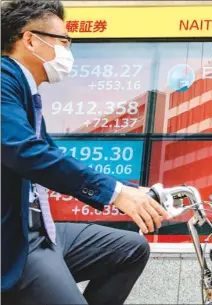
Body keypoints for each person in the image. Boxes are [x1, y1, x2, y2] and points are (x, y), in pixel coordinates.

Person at [1, 1, 171, 304]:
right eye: (64, 41)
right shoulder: (3, 82)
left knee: (130, 249)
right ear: (30, 40)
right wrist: (116, 194)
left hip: (43, 233)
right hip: (15, 242)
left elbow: (52, 156)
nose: (68, 51)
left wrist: (132, 192)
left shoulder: (26, 92)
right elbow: (24, 152)